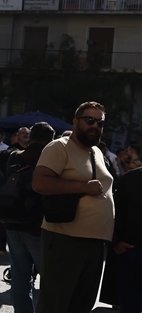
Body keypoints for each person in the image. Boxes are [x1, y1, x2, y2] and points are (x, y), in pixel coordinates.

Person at [32, 101, 114, 313]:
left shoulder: (96, 152)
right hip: (65, 239)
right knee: (56, 305)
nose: (95, 126)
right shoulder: (59, 147)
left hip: (95, 242)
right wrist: (82, 187)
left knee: (82, 305)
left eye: (100, 122)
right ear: (75, 122)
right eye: (89, 120)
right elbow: (39, 182)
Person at [1, 122, 54, 313]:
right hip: (37, 225)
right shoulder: (49, 159)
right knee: (51, 279)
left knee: (20, 277)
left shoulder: (13, 157)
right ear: (51, 140)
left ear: (30, 138)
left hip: (11, 222)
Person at [113, 167, 142, 313]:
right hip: (131, 252)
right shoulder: (130, 179)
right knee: (130, 305)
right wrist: (116, 242)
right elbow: (116, 211)